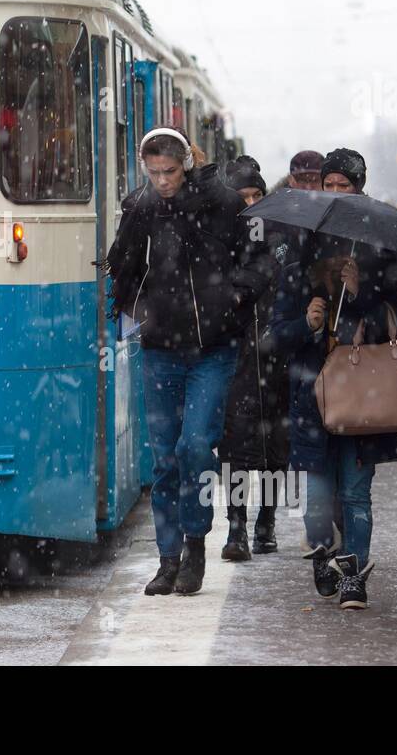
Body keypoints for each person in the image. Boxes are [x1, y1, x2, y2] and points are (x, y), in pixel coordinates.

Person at [106, 128, 272, 596]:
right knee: (164, 458)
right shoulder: (139, 208)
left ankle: (195, 545)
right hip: (160, 348)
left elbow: (259, 262)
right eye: (154, 173)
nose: (163, 181)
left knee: (195, 446)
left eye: (170, 172)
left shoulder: (223, 204)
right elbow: (121, 266)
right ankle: (167, 557)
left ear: (186, 165)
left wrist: (234, 296)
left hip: (212, 349)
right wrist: (130, 308)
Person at [269, 147, 397, 609]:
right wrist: (310, 323)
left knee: (357, 493)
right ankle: (323, 554)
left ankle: (353, 576)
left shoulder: (383, 250)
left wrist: (362, 296)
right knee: (319, 497)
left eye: (346, 186)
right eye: (330, 185)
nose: (337, 194)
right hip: (312, 394)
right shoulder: (301, 246)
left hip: (366, 395)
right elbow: (277, 335)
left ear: (361, 189)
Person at [219, 156, 291, 559]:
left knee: (276, 448)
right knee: (237, 449)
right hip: (237, 360)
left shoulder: (280, 239)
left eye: (256, 194)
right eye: (242, 196)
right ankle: (236, 528)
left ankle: (266, 520)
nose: (250, 203)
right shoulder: (221, 243)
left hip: (276, 359)